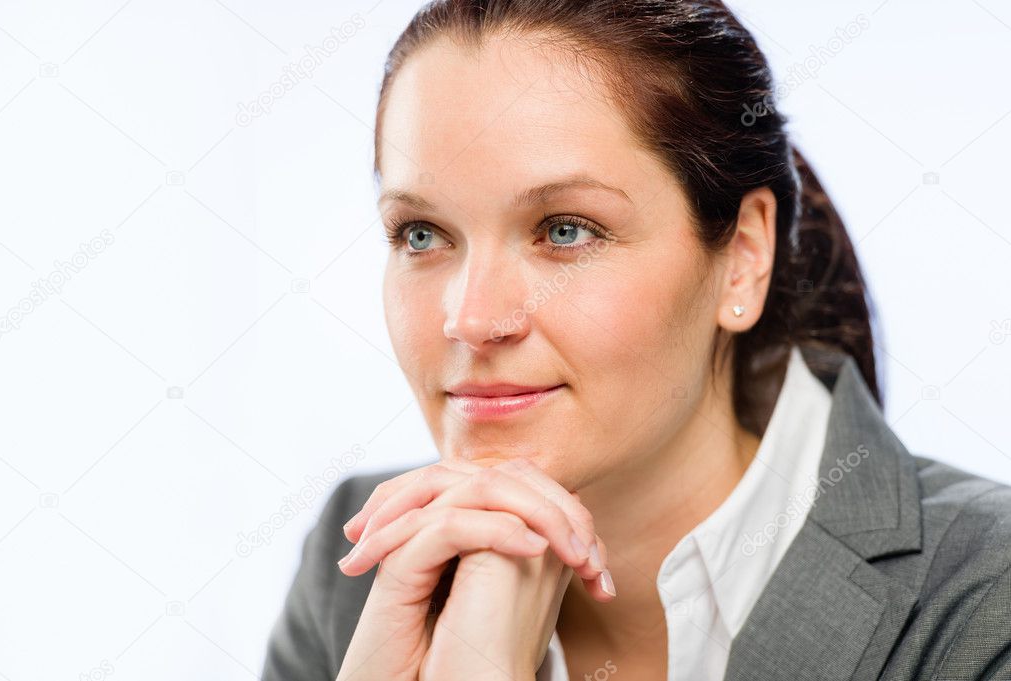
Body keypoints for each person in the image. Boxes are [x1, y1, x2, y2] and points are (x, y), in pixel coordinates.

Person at [261, 1, 1011, 679]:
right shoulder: (364, 557)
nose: (471, 319)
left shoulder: (984, 595)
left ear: (743, 256)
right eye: (420, 234)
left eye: (565, 230)